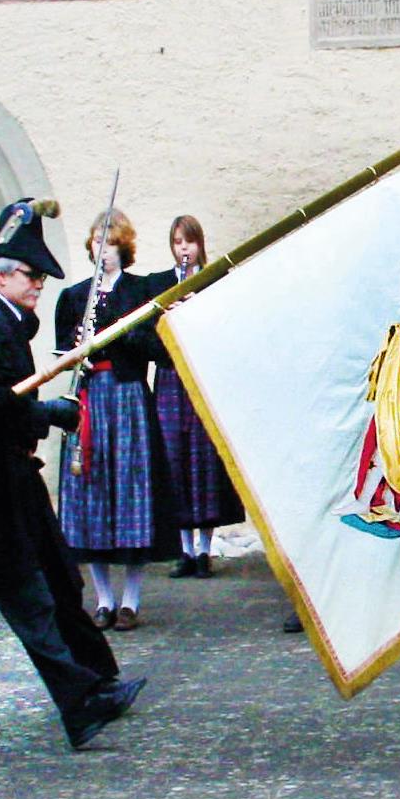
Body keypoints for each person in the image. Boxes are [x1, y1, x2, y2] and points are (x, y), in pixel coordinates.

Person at [0, 195, 142, 747]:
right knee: (32, 596)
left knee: (36, 585)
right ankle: (83, 696)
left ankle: (93, 683)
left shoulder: (7, 321)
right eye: (31, 277)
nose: (39, 287)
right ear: (2, 276)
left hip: (11, 472)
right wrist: (44, 414)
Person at [53, 209, 179, 628]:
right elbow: (59, 356)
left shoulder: (139, 291)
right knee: (90, 492)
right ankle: (103, 599)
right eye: (96, 242)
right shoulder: (74, 296)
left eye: (109, 243)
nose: (101, 249)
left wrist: (122, 330)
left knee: (130, 492)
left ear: (122, 247)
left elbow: (159, 350)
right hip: (91, 399)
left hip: (126, 399)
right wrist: (77, 346)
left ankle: (131, 600)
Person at [156, 215, 243, 578]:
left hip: (202, 375)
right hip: (171, 377)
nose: (183, 248)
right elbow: (152, 335)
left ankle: (205, 549)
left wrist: (199, 309)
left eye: (189, 241)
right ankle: (185, 550)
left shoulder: (213, 279)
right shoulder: (161, 284)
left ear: (199, 244)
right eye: (177, 242)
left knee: (203, 463)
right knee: (174, 461)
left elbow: (226, 328)